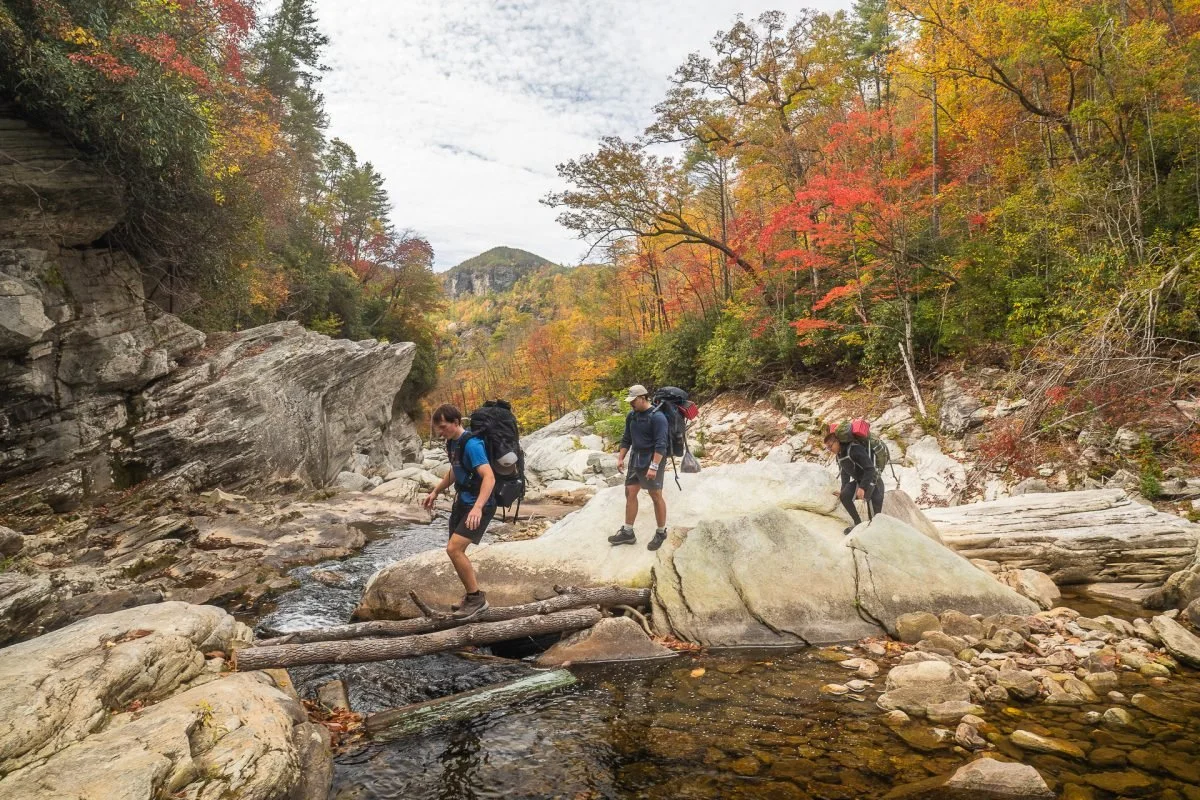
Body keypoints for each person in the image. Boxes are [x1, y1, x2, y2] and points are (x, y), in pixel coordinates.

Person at [422, 403, 495, 619]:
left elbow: (489, 477)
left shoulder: (472, 444)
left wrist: (478, 508)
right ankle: (470, 595)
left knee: (454, 549)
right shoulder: (452, 444)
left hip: (479, 504)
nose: (441, 432)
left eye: (444, 427)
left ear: (456, 422)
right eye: (438, 429)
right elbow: (455, 471)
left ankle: (477, 599)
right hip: (463, 502)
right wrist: (435, 491)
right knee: (454, 550)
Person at [609, 384, 670, 550]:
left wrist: (654, 466)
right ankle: (628, 532)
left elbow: (661, 445)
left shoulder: (658, 417)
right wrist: (620, 458)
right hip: (636, 458)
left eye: (633, 400)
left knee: (655, 495)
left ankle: (661, 532)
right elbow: (626, 438)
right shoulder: (632, 415)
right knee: (630, 492)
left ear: (643, 398)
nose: (631, 404)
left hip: (652, 458)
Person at [825, 430, 884, 535]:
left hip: (874, 481)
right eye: (827, 448)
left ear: (837, 441)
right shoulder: (840, 456)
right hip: (859, 482)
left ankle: (874, 534)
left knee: (874, 519)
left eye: (830, 446)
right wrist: (842, 491)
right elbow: (844, 474)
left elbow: (870, 469)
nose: (830, 450)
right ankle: (857, 523)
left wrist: (863, 488)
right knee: (845, 496)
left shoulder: (855, 449)